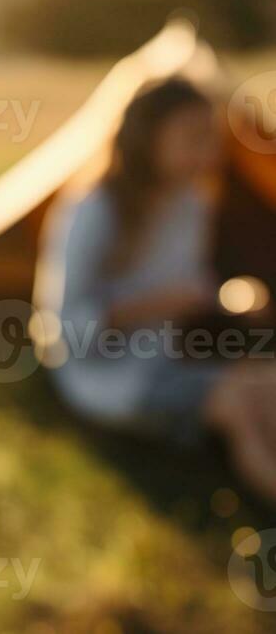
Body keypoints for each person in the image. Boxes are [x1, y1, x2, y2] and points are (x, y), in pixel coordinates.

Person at [36, 76, 276, 504]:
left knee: (266, 383)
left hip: (165, 359)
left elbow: (189, 284)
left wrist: (228, 297)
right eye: (193, 139)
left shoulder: (191, 203)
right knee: (239, 403)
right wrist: (149, 307)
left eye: (211, 139)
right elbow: (63, 335)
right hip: (108, 379)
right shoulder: (91, 211)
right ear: (148, 140)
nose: (208, 153)